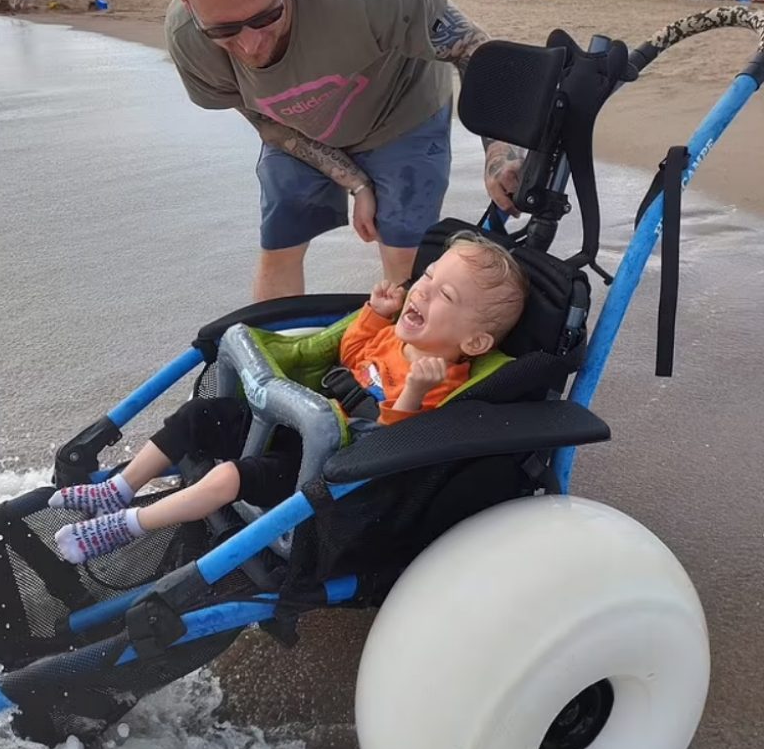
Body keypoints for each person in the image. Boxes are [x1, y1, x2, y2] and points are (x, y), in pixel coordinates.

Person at [48, 233, 529, 562]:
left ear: (476, 343)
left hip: (322, 467)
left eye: (444, 294)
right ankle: (118, 489)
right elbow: (350, 351)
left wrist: (416, 392)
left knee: (229, 478)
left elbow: (394, 450)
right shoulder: (392, 339)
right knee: (199, 415)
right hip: (291, 423)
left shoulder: (439, 378)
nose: (421, 292)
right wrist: (373, 314)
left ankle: (126, 527)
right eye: (425, 278)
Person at [164, 0, 528, 303]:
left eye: (266, 16)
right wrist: (355, 182)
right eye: (223, 29)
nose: (250, 45)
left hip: (400, 106)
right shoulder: (188, 43)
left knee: (406, 262)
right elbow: (264, 120)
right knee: (280, 247)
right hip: (296, 126)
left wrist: (500, 150)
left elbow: (475, 49)